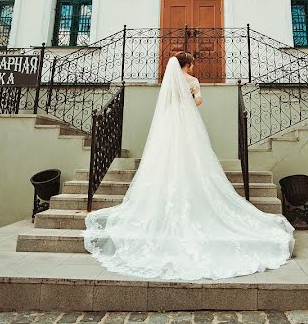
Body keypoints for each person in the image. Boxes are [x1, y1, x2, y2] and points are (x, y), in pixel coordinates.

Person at [83, 52, 294, 280]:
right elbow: (199, 101)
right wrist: (192, 98)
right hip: (187, 123)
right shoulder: (192, 81)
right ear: (189, 65)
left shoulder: (170, 82)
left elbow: (167, 102)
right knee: (193, 156)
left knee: (165, 159)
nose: (194, 67)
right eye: (193, 64)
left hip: (169, 123)